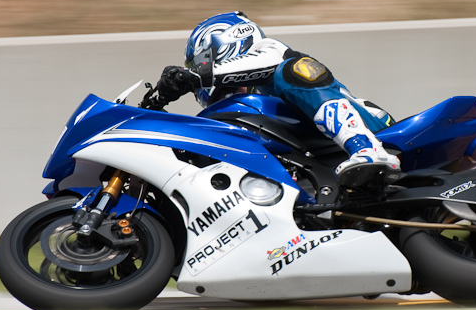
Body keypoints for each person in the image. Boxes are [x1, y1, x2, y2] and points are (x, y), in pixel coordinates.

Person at [151, 11, 401, 187]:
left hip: (384, 133)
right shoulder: (244, 107)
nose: (197, 69)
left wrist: (197, 76)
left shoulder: (270, 52)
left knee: (293, 70)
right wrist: (157, 103)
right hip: (322, 161)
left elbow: (270, 63)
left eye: (200, 61)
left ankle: (365, 148)